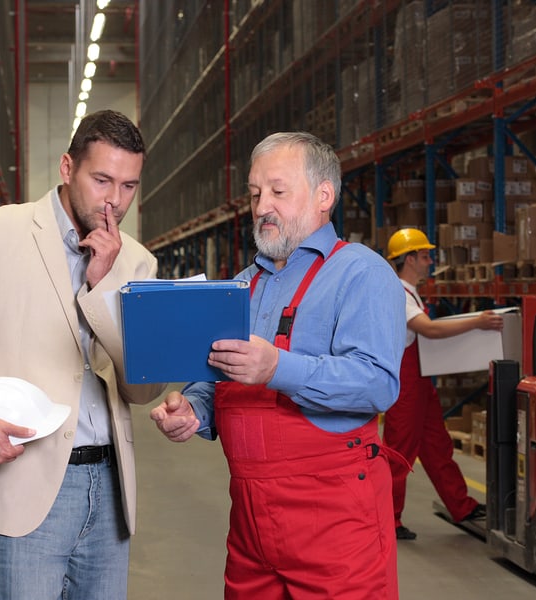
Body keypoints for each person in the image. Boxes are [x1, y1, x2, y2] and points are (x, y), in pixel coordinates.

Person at [0, 109, 165, 600]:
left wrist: (106, 289)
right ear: (68, 169)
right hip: (28, 479)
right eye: (102, 179)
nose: (115, 201)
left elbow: (144, 387)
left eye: (129, 186)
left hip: (110, 489)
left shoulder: (136, 262)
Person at [150, 131, 406, 599]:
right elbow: (218, 376)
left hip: (334, 518)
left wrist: (277, 369)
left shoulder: (362, 274)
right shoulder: (240, 286)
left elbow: (377, 383)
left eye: (277, 191)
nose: (262, 205)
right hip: (249, 519)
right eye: (254, 194)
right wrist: (193, 407)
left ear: (324, 195)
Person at [383, 228, 503, 540]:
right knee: (400, 452)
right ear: (409, 259)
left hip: (419, 381)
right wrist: (477, 322)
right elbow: (429, 330)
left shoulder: (408, 290)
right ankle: (388, 519)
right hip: (405, 383)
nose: (430, 262)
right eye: (425, 256)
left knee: (437, 446)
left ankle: (460, 505)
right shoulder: (398, 292)